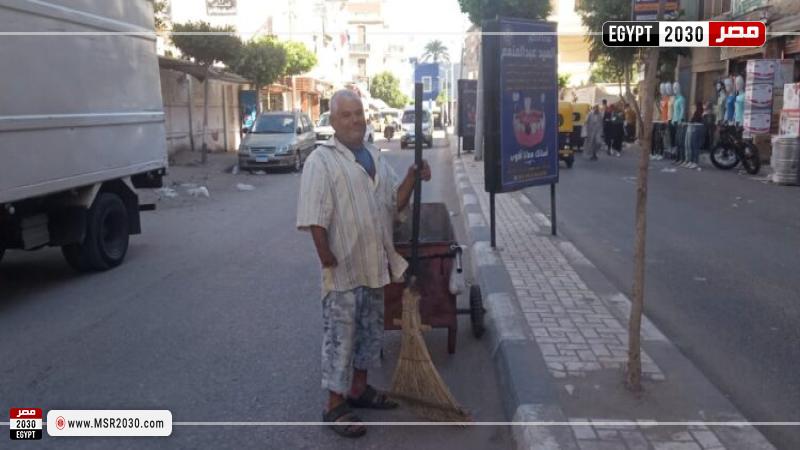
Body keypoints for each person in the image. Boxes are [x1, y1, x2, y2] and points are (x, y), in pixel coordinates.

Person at [296, 89, 431, 439]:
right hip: (342, 270)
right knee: (341, 339)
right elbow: (314, 214)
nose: (355, 120)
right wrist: (325, 255)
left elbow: (392, 202)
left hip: (373, 267)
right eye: (347, 115)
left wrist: (413, 178)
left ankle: (359, 389)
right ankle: (335, 405)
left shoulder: (373, 155)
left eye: (359, 114)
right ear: (333, 121)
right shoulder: (320, 161)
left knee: (369, 335)